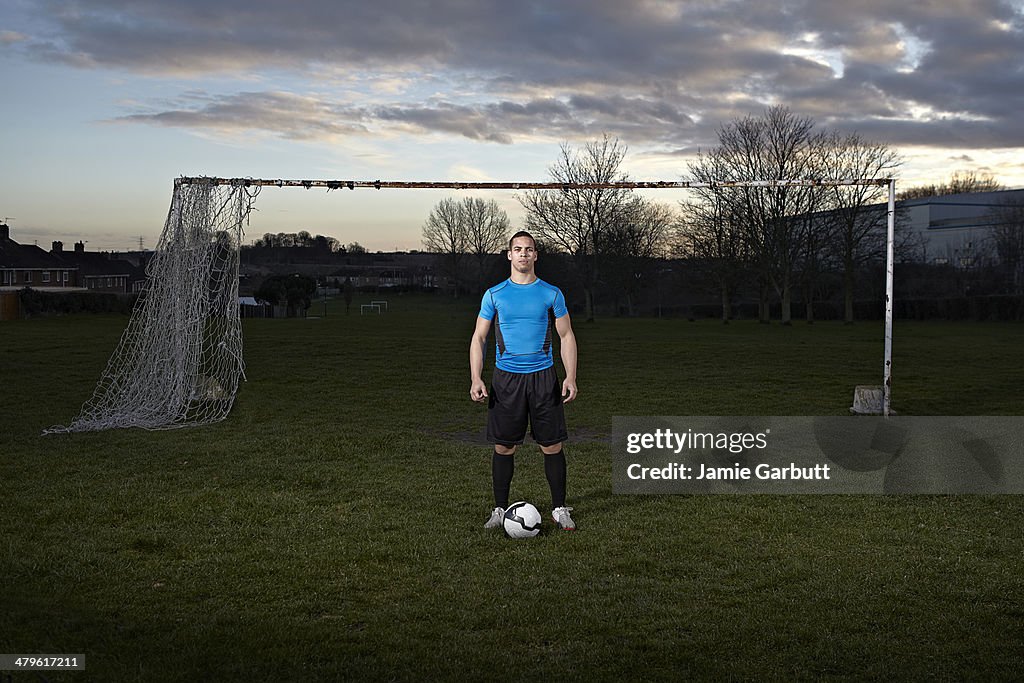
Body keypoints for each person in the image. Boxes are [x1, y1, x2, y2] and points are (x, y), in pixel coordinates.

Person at [469, 230, 578, 531]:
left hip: (544, 377)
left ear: (536, 255)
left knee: (552, 445)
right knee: (504, 447)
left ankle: (559, 509)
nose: (523, 254)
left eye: (529, 249)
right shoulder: (495, 294)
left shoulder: (551, 293)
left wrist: (570, 376)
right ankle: (499, 509)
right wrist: (476, 377)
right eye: (517, 249)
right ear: (509, 254)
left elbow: (566, 335)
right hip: (506, 380)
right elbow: (479, 337)